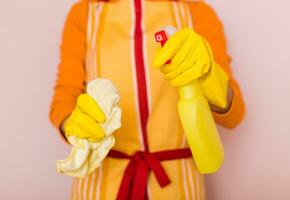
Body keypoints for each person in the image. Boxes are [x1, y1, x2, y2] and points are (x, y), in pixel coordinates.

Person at [49, 0, 245, 199]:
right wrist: (72, 124)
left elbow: (234, 116)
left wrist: (209, 77)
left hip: (179, 188)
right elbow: (64, 98)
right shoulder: (84, 14)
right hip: (99, 188)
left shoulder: (198, 13)